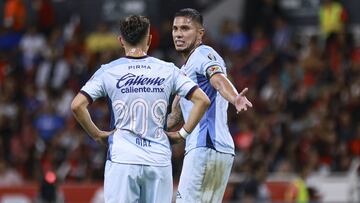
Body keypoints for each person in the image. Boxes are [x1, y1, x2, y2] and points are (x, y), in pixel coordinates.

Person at [71, 15, 210, 203]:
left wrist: (97, 134)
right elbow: (202, 100)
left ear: (121, 41)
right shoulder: (168, 69)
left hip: (122, 159)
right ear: (150, 39)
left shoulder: (109, 70)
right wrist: (182, 134)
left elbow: (77, 105)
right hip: (158, 160)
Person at [167, 8, 253, 202]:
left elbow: (218, 79)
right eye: (175, 29)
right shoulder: (184, 71)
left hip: (205, 146)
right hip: (216, 150)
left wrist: (235, 98)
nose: (178, 34)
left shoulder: (203, 54)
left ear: (200, 34)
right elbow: (174, 117)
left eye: (185, 28)